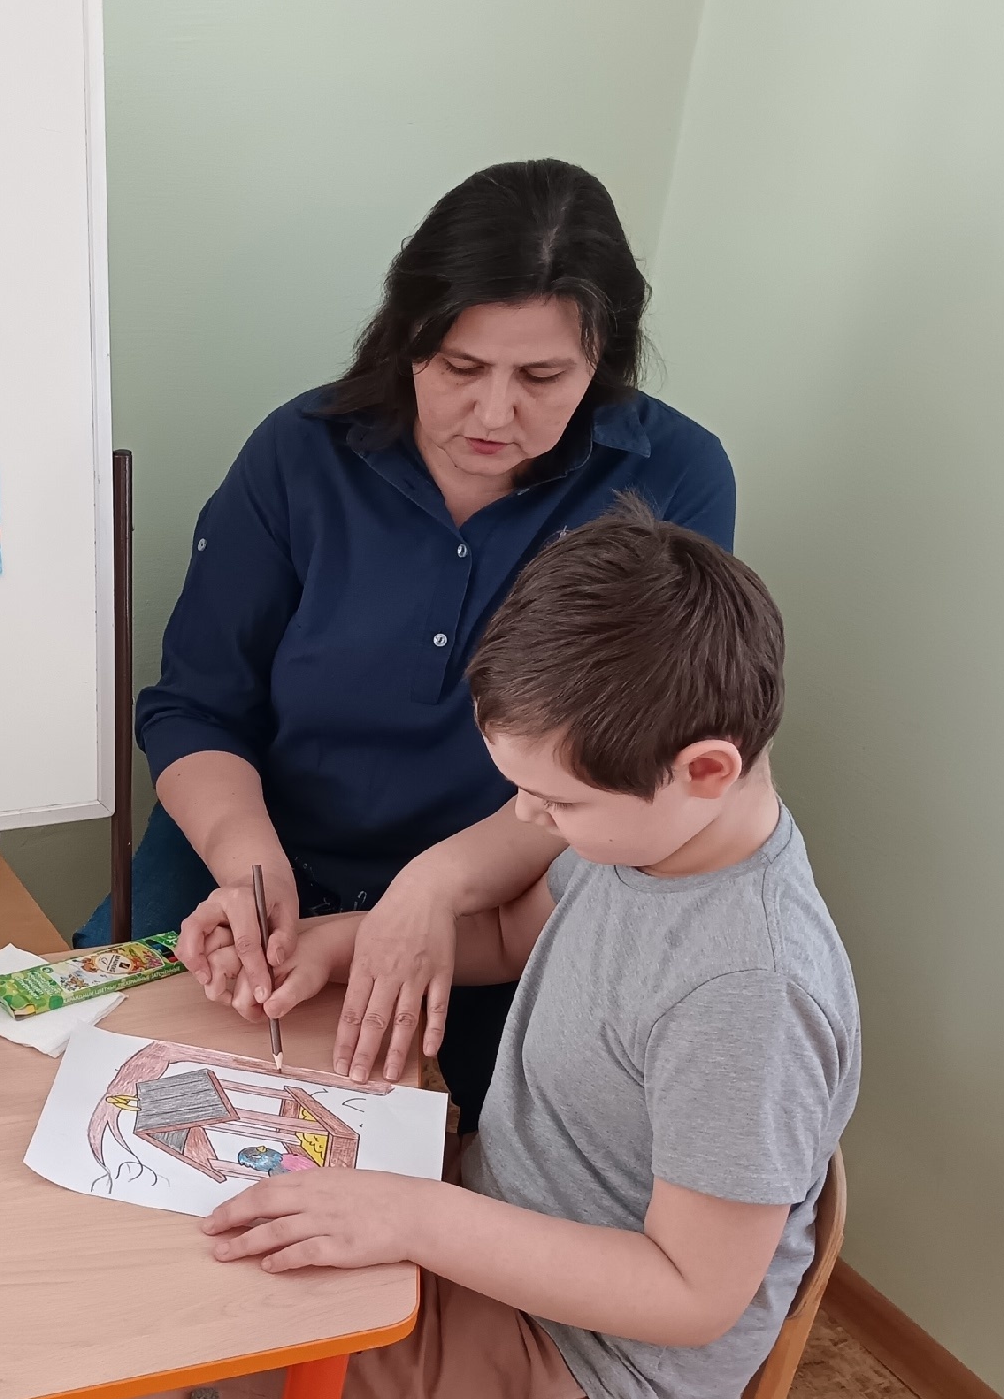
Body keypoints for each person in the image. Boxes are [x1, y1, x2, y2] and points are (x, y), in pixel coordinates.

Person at [0, 501, 858, 1399]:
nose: (528, 825)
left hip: (585, 1367)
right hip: (494, 1218)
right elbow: (514, 936)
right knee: (155, 1203)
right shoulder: (653, 838)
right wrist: (336, 946)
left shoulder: (748, 990)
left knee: (164, 1314)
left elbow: (690, 1294)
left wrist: (411, 1215)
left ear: (705, 769)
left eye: (555, 805)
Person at [83, 159, 737, 1122]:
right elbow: (196, 706)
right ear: (407, 339)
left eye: (543, 377)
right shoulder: (300, 451)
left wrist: (437, 886)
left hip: (497, 896)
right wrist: (249, 869)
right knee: (103, 1073)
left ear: (604, 363)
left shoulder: (674, 477)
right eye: (460, 368)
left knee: (443, 1131)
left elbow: (620, 765)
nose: (494, 413)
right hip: (255, 841)